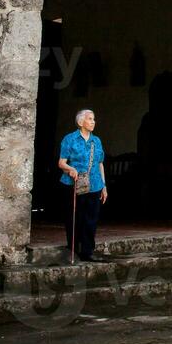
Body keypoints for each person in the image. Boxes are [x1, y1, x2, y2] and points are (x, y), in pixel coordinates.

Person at [58, 108, 108, 263]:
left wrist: (104, 186)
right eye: (90, 119)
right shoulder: (70, 139)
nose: (93, 122)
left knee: (91, 220)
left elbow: (100, 164)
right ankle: (73, 250)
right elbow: (61, 163)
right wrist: (70, 169)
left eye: (94, 119)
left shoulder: (96, 141)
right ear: (81, 122)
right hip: (74, 184)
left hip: (94, 185)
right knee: (74, 219)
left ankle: (88, 251)